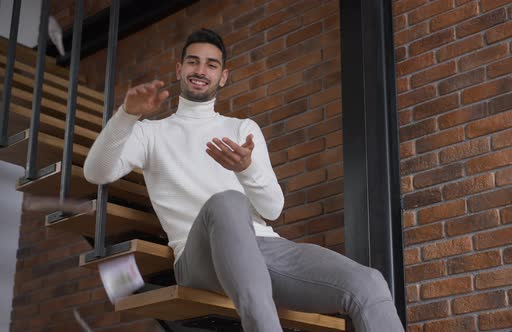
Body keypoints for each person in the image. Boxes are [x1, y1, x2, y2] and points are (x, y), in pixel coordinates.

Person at [84, 28, 405, 332]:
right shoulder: (150, 133)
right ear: (179, 69)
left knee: (369, 283)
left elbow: (274, 209)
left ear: (222, 76)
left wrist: (247, 169)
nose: (201, 70)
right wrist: (127, 114)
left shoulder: (243, 129)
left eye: (211, 64)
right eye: (193, 61)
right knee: (228, 201)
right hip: (198, 258)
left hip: (266, 247)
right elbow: (96, 172)